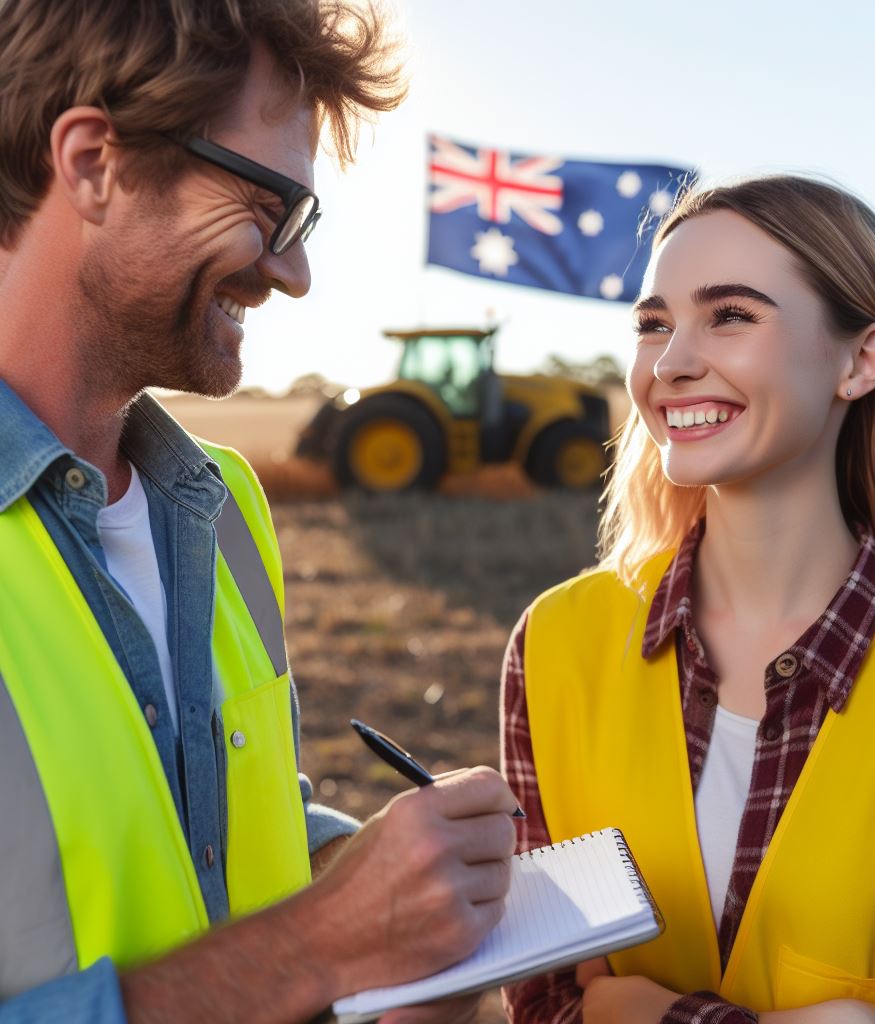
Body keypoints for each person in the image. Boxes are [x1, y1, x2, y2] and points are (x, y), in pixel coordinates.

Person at [0, 1, 519, 1021]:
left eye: (304, 225)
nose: (293, 270)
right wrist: (317, 948)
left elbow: (225, 823)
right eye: (272, 208)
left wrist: (376, 886)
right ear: (95, 161)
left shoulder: (221, 504)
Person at [501, 175, 875, 1024]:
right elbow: (550, 1000)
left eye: (731, 316)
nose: (671, 363)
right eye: (653, 325)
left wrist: (641, 1013)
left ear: (862, 360)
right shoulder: (557, 642)